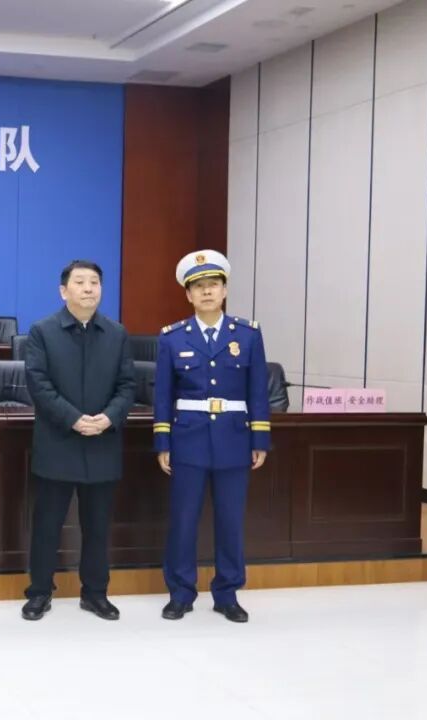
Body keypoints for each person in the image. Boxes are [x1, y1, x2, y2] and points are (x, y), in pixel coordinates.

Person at [153, 249, 270, 623]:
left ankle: (227, 593)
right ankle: (180, 593)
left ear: (224, 290)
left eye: (213, 284)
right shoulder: (172, 338)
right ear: (188, 294)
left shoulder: (247, 335)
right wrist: (162, 442)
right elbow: (163, 396)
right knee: (183, 520)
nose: (207, 291)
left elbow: (257, 392)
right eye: (199, 286)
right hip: (188, 440)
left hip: (234, 440)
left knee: (230, 521)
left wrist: (260, 440)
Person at [21, 260, 136, 622]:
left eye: (95, 282)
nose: (88, 288)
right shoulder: (43, 331)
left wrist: (109, 417)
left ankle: (95, 593)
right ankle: (40, 593)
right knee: (47, 525)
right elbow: (38, 384)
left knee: (97, 526)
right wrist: (73, 418)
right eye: (80, 282)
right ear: (63, 290)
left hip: (102, 442)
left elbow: (128, 385)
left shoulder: (116, 333)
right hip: (58, 443)